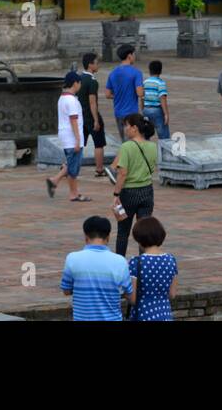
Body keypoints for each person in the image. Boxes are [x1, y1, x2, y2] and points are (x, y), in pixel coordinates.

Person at [60, 215, 132, 321]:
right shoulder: (120, 261)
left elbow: (66, 291)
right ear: (108, 237)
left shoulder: (72, 258)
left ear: (86, 237)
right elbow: (128, 293)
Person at [112, 113, 158, 256]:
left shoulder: (127, 147)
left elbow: (122, 173)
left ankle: (120, 262)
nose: (125, 128)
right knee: (144, 231)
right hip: (147, 191)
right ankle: (145, 262)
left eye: (127, 125)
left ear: (135, 128)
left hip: (129, 193)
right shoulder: (152, 146)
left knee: (123, 232)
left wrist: (116, 194)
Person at [46, 74, 89, 203]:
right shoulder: (71, 100)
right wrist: (77, 140)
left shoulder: (63, 98)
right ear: (75, 83)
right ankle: (73, 194)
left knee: (71, 163)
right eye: (79, 83)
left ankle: (54, 181)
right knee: (73, 168)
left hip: (66, 136)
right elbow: (73, 120)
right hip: (72, 137)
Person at [127, 216, 178, 322]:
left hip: (143, 314)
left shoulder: (136, 262)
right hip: (165, 314)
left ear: (140, 239)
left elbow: (133, 299)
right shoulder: (170, 260)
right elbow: (172, 294)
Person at [76, 53, 113, 182]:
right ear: (90, 65)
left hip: (81, 116)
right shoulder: (92, 81)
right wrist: (96, 119)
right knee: (99, 144)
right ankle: (99, 169)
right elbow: (93, 102)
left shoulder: (80, 79)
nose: (98, 65)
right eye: (96, 63)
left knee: (79, 144)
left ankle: (67, 165)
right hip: (91, 117)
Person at [104, 44, 144, 141]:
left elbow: (108, 94)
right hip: (132, 114)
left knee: (124, 142)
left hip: (118, 113)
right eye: (134, 54)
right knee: (135, 142)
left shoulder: (113, 73)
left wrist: (119, 95)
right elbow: (140, 93)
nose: (134, 57)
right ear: (129, 56)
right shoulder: (136, 73)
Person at [142, 60, 170, 140]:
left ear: (149, 70)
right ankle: (164, 152)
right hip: (157, 111)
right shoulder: (160, 83)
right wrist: (166, 114)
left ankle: (146, 151)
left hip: (146, 110)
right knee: (163, 136)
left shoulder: (145, 82)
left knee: (146, 134)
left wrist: (142, 109)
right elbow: (162, 98)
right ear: (160, 71)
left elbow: (141, 97)